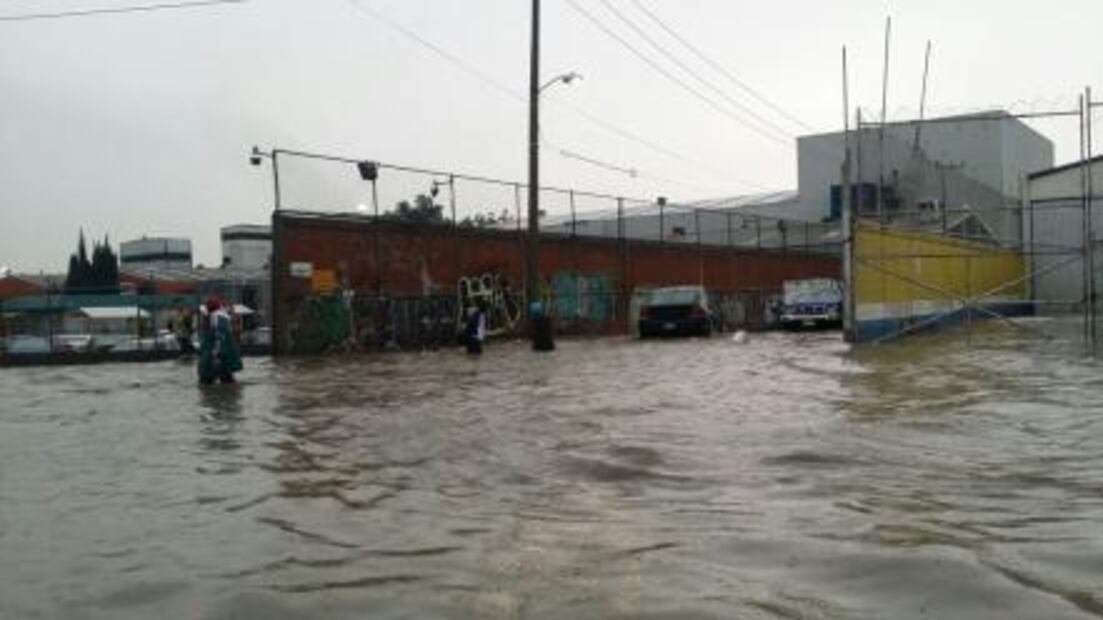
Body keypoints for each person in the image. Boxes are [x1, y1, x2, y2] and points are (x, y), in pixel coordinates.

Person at [197, 297, 243, 385]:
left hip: (216, 357)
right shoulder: (221, 317)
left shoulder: (216, 318)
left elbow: (218, 337)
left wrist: (216, 355)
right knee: (227, 381)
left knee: (206, 381)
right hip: (223, 356)